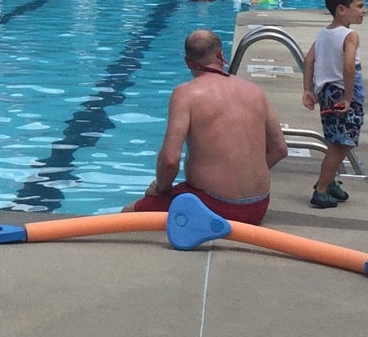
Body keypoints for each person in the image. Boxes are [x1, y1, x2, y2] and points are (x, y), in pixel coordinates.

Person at [123, 29, 286, 225]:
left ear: (187, 61)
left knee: (126, 215)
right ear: (221, 55)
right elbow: (279, 149)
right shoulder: (254, 91)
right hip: (257, 207)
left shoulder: (186, 94)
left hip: (210, 206)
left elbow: (170, 160)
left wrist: (160, 189)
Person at [302, 0, 367, 209]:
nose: (364, 11)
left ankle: (328, 182)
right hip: (343, 91)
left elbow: (309, 60)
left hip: (327, 92)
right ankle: (321, 189)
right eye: (359, 6)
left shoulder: (323, 33)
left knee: (337, 141)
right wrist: (349, 98)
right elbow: (349, 66)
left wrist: (308, 90)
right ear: (342, 9)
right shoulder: (350, 35)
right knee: (342, 144)